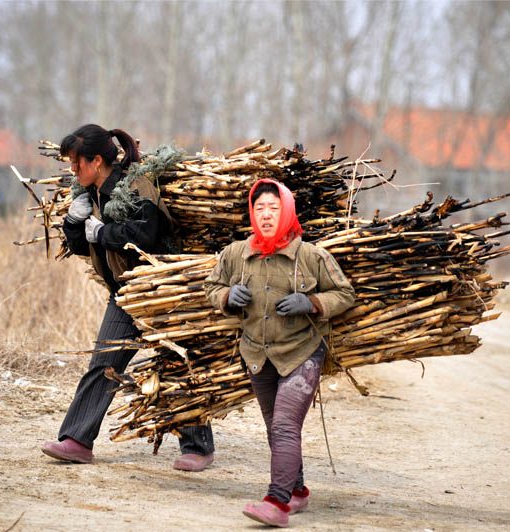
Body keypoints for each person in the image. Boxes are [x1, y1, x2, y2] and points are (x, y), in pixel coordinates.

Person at [41, 124, 215, 471]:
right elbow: (79, 247)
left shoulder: (136, 185)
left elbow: (147, 236)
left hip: (161, 290)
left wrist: (104, 231)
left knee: (176, 363)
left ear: (98, 160)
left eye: (77, 163)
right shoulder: (90, 194)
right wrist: (75, 224)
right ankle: (76, 440)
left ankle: (198, 448)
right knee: (104, 363)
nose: (73, 170)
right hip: (124, 293)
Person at [204, 179, 355, 527]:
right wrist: (226, 296)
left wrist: (313, 302)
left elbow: (345, 294)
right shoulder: (235, 254)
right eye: (260, 209)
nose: (267, 215)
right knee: (276, 427)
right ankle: (298, 490)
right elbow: (211, 287)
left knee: (286, 425)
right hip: (257, 353)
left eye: (274, 208)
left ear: (286, 211)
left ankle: (277, 501)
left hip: (302, 352)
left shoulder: (312, 256)